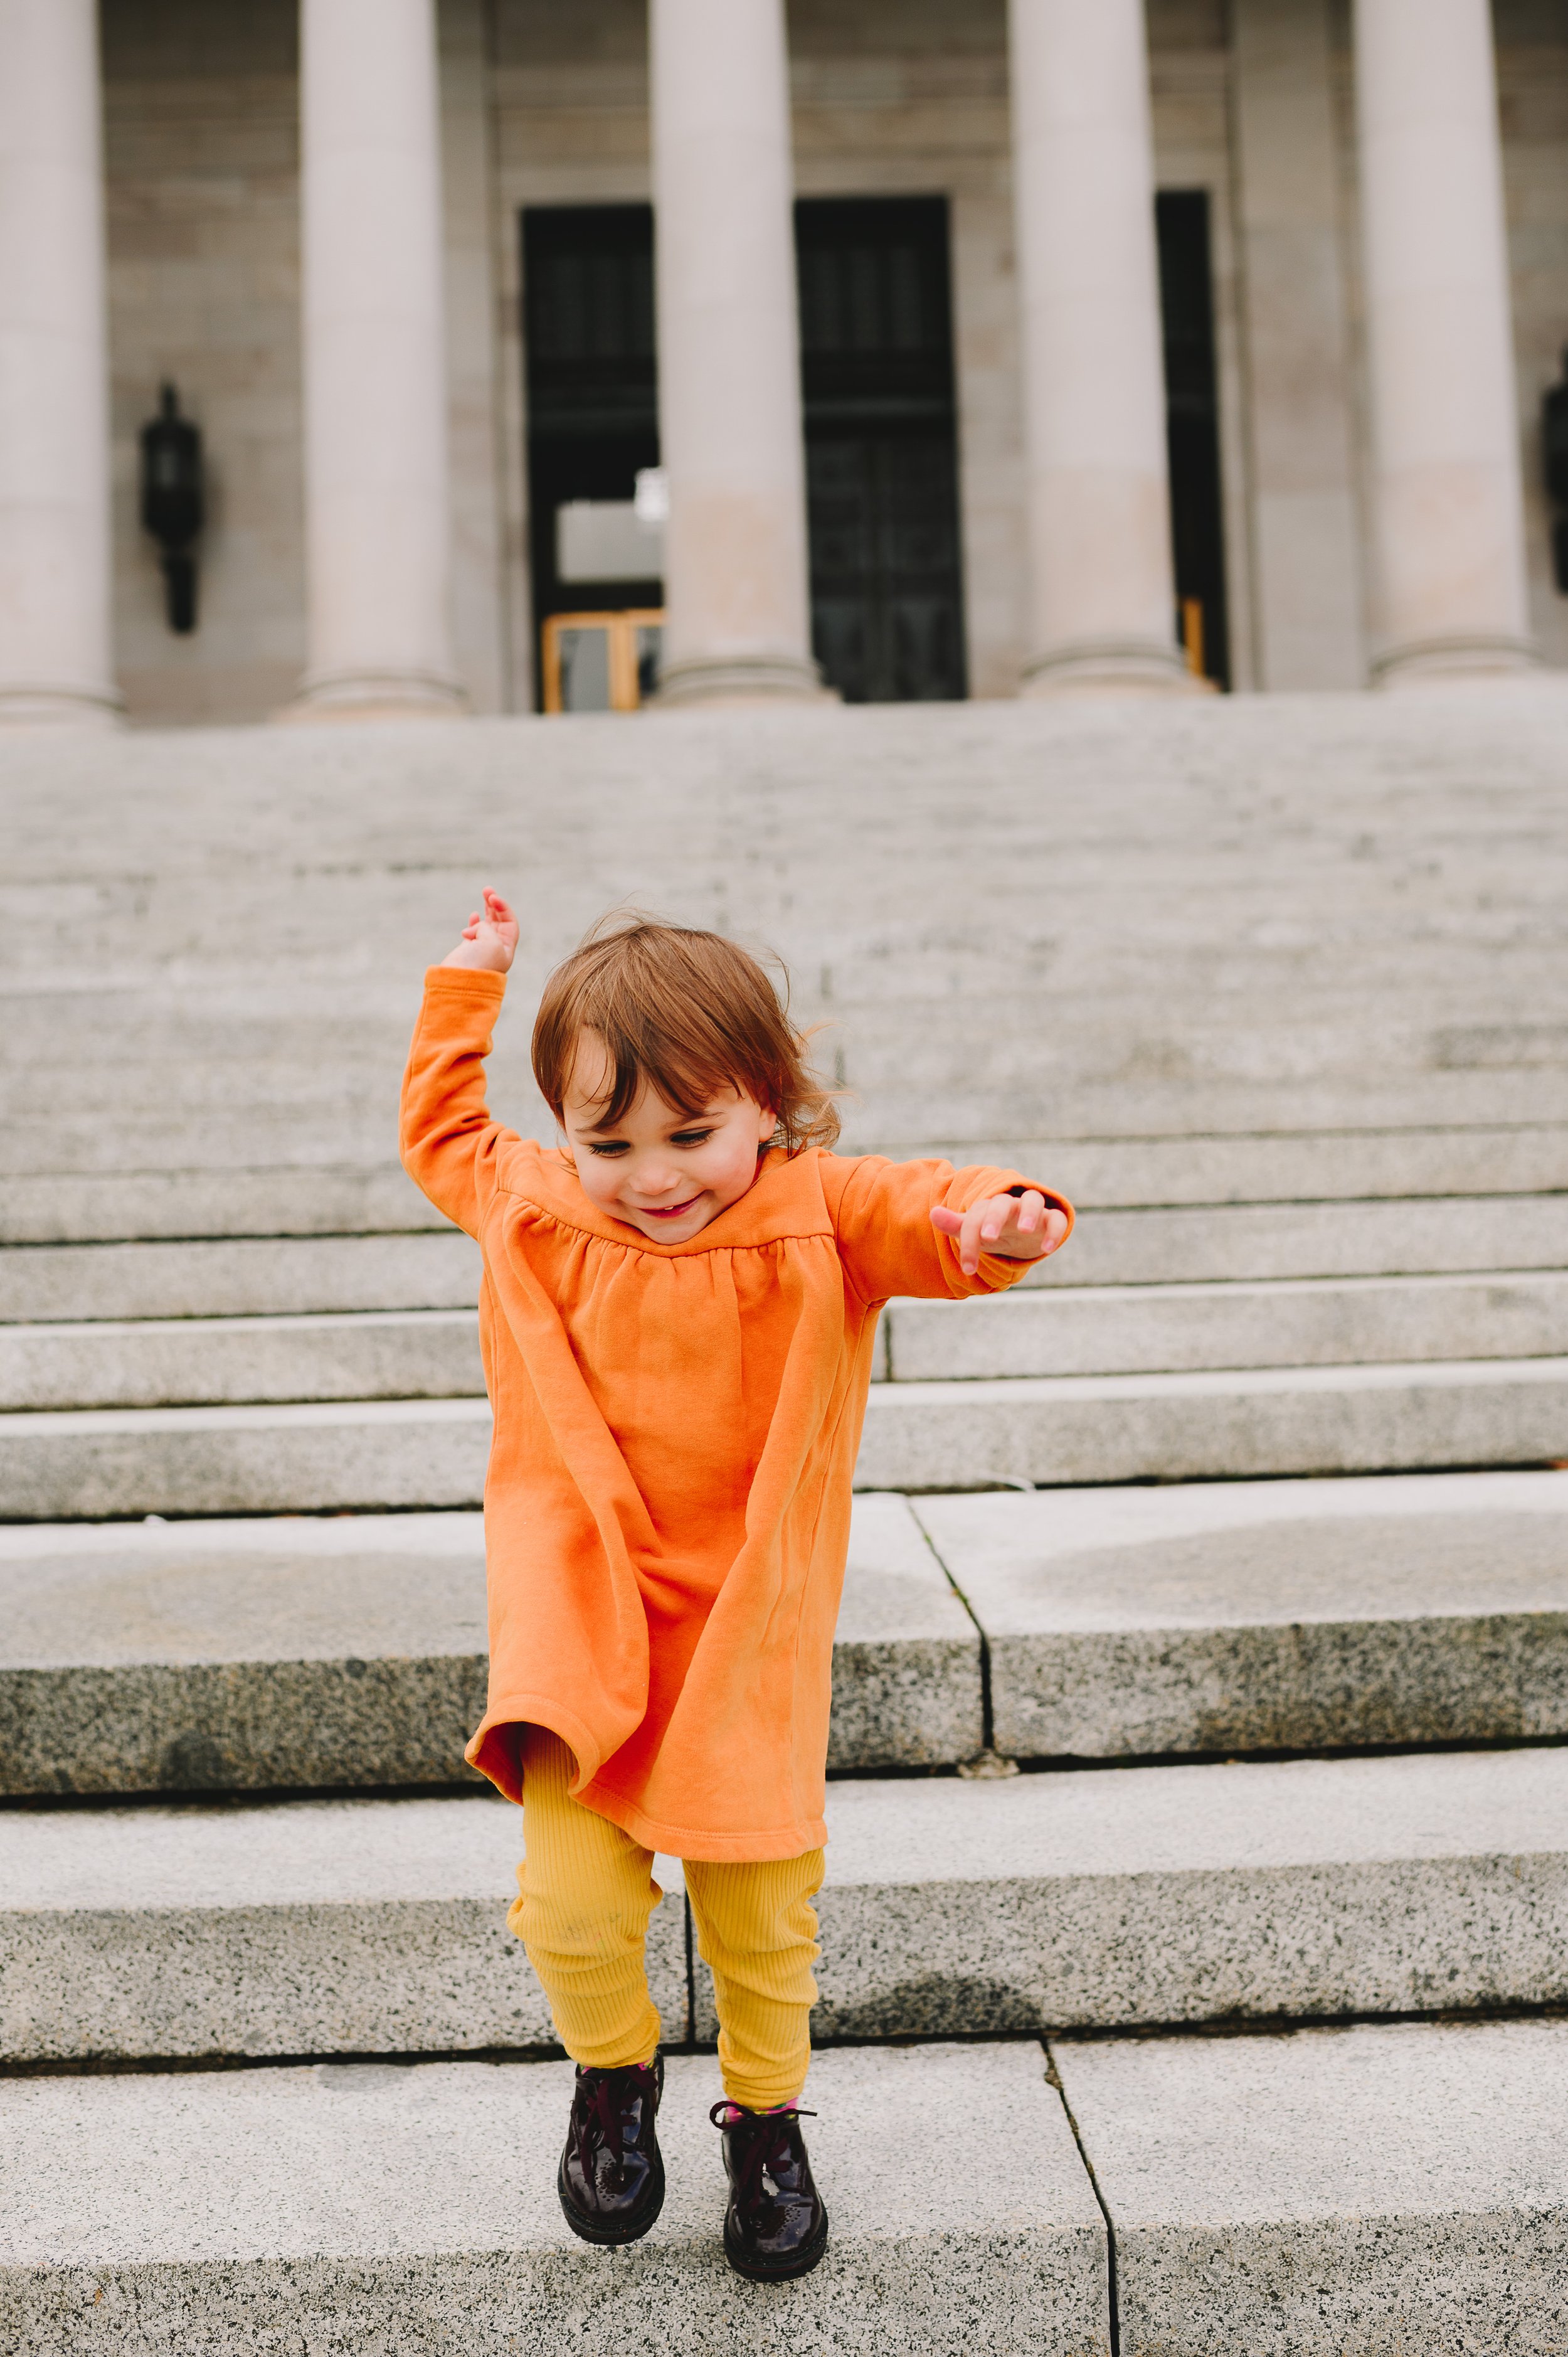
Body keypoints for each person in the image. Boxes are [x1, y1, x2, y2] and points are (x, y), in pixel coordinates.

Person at [400, 890, 1073, 2281]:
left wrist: (994, 1223)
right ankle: (613, 2078)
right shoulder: (533, 1206)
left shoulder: (814, 1211)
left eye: (689, 1135)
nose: (650, 1174)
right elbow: (444, 1136)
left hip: (743, 1629)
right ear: (569, 1135)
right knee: (572, 1905)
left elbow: (924, 1210)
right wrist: (462, 991)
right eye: (609, 1141)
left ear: (765, 1101)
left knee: (761, 1919)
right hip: (581, 1615)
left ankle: (764, 2119)